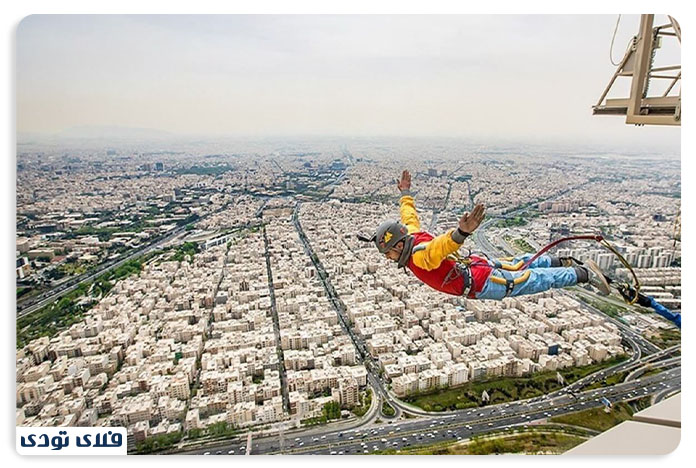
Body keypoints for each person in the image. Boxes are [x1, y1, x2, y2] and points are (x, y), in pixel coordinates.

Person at [361, 170, 611, 300]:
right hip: (474, 266)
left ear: (398, 244)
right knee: (519, 264)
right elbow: (409, 215)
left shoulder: (419, 257)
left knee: (531, 280)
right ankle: (559, 261)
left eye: (388, 252)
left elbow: (438, 248)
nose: (389, 258)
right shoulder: (412, 234)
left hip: (479, 283)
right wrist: (405, 192)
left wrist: (460, 234)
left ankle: (582, 274)